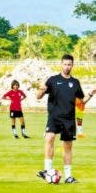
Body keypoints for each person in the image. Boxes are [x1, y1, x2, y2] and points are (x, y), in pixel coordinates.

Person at [36, 54, 95, 183]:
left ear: (72, 65)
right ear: (61, 64)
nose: (67, 67)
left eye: (69, 64)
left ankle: (68, 177)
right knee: (49, 137)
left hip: (69, 119)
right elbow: (38, 96)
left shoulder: (75, 82)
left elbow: (81, 102)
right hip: (54, 117)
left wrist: (91, 93)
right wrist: (41, 90)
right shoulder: (52, 80)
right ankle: (47, 170)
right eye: (65, 64)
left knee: (67, 147)